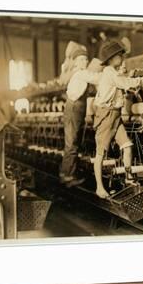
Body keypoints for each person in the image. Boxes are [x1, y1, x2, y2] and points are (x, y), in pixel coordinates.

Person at [92, 40, 143, 199]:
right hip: (106, 115)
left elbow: (125, 80)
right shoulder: (109, 72)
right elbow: (126, 83)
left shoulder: (113, 72)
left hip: (115, 115)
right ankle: (99, 187)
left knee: (127, 145)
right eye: (120, 55)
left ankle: (128, 177)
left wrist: (135, 74)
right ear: (112, 58)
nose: (122, 57)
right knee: (101, 153)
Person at [59, 42, 102, 187]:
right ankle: (68, 176)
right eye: (83, 59)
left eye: (86, 59)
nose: (86, 61)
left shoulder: (77, 73)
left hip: (75, 109)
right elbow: (97, 78)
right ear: (77, 62)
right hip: (74, 109)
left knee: (72, 142)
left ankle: (66, 173)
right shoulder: (81, 73)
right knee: (72, 143)